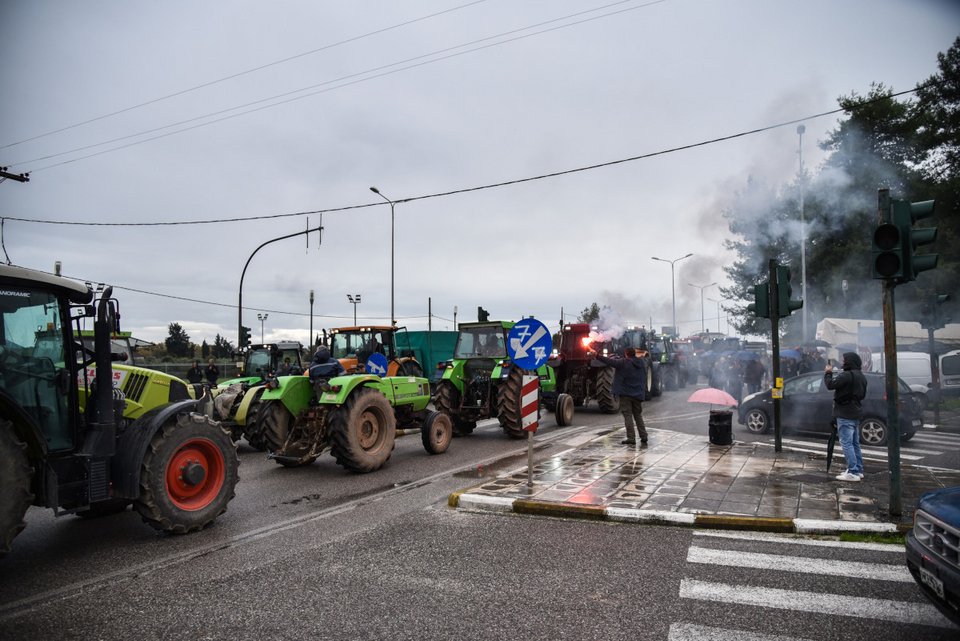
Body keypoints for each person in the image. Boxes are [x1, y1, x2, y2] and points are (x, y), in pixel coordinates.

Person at [825, 352, 867, 482]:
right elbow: (863, 394)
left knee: (846, 443)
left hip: (845, 413)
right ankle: (858, 469)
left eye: (844, 360)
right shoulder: (861, 376)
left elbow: (830, 385)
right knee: (855, 443)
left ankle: (853, 471)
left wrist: (828, 372)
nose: (842, 362)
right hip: (855, 412)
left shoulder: (846, 375)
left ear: (849, 361)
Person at [593, 347, 649, 446]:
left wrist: (597, 355)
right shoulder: (641, 364)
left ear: (626, 354)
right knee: (638, 415)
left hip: (626, 394)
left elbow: (609, 361)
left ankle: (631, 438)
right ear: (634, 354)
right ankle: (643, 436)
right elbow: (644, 379)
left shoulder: (623, 362)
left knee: (628, 416)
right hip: (638, 394)